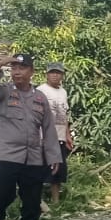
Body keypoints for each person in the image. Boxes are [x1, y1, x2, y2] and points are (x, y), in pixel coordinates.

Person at [0, 52, 62, 220]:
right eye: (14, 68)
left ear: (31, 72)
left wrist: (53, 157)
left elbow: (49, 129)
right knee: (2, 195)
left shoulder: (40, 98)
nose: (17, 72)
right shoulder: (4, 92)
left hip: (34, 156)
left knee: (32, 198)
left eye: (22, 68)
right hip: (8, 155)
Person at [38, 61, 75, 207]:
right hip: (44, 136)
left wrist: (67, 135)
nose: (55, 75)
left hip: (59, 136)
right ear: (46, 74)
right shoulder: (41, 91)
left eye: (58, 73)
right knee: (41, 169)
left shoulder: (63, 92)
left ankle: (55, 202)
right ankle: (37, 200)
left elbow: (64, 115)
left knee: (58, 171)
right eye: (52, 72)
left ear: (62, 75)